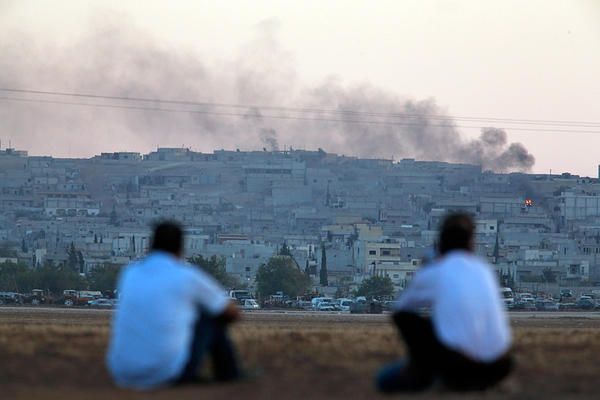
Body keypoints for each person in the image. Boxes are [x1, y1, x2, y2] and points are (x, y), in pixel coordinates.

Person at [376, 213, 513, 392]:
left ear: (440, 243)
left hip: (457, 366)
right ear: (471, 244)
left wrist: (427, 270)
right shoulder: (484, 269)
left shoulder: (437, 271)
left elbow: (401, 308)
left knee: (385, 378)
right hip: (500, 364)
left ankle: (420, 372)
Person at [107, 221, 242, 390]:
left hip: (123, 372)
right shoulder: (186, 275)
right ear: (180, 248)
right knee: (209, 317)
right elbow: (231, 312)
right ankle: (229, 375)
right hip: (167, 373)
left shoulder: (129, 273)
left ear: (151, 245)